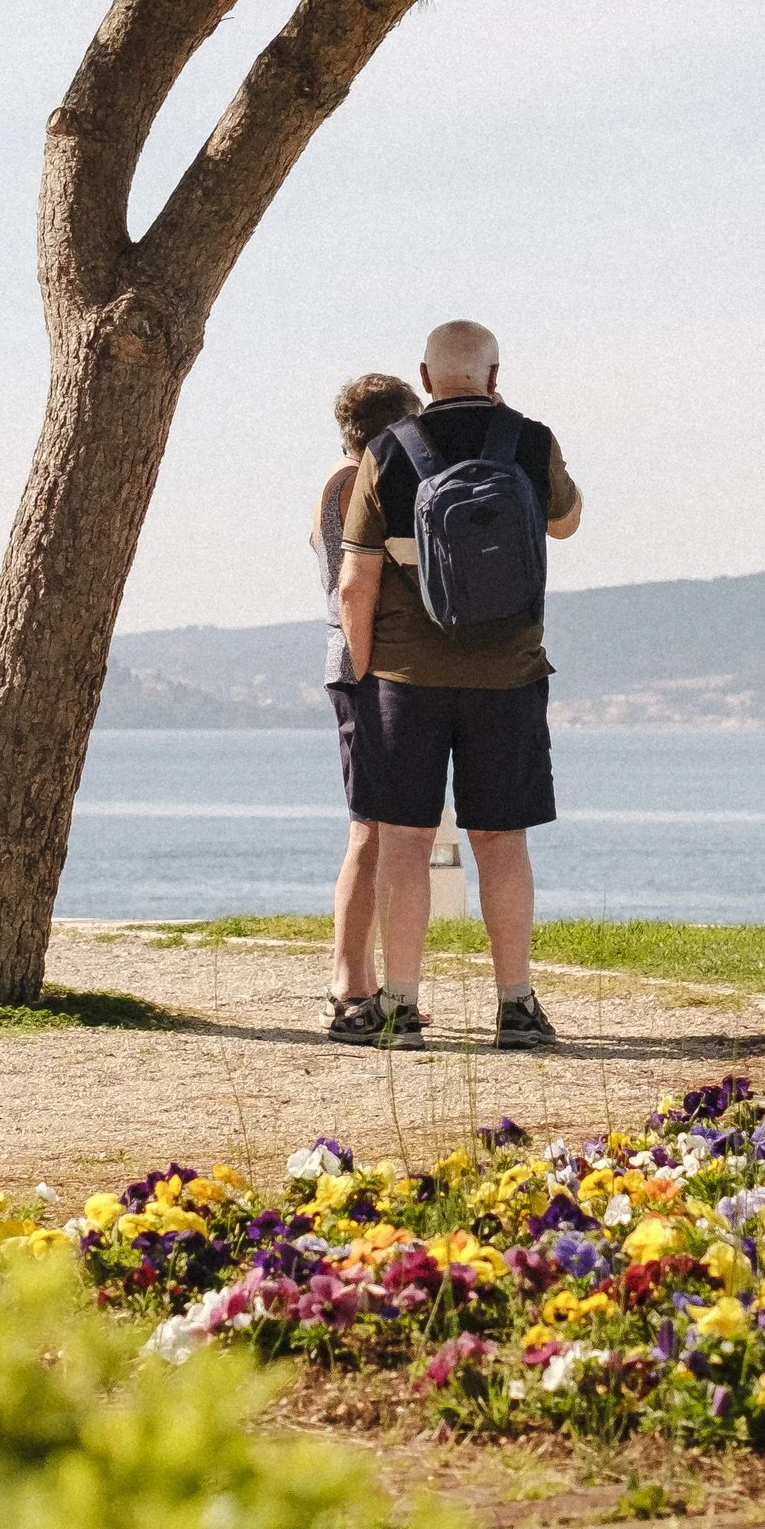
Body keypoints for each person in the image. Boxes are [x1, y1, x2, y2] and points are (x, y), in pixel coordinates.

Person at [338, 318, 582, 1047]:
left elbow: (355, 582)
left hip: (405, 679)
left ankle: (401, 1007)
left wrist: (362, 672)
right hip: (507, 674)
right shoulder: (531, 440)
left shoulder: (387, 451)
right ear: (494, 375)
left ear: (424, 377)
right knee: (501, 842)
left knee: (405, 842)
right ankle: (516, 1007)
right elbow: (566, 523)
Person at [313, 372, 423, 1041]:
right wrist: (368, 666)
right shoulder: (356, 482)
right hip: (364, 664)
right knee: (370, 831)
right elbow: (356, 585)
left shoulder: (349, 478)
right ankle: (350, 985)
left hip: (363, 662)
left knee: (381, 831)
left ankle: (366, 983)